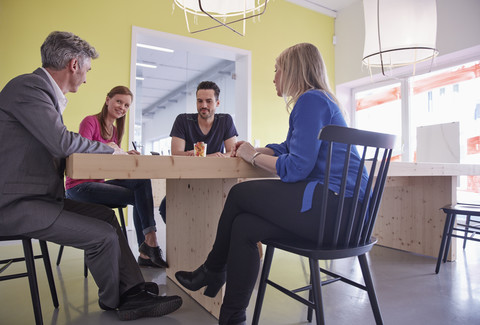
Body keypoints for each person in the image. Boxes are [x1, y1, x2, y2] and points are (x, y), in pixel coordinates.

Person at [174, 43, 369, 325]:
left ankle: (213, 269)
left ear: (293, 70)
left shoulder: (310, 100)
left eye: (277, 69)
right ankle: (231, 317)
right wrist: (259, 149)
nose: (274, 76)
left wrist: (251, 156)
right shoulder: (321, 100)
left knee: (239, 193)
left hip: (336, 211)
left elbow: (296, 168)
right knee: (244, 227)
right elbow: (290, 147)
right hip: (348, 216)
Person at [0, 31, 182, 321]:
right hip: (16, 205)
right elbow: (61, 141)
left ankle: (133, 288)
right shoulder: (29, 88)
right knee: (103, 237)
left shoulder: (40, 93)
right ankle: (116, 301)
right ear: (74, 64)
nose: (86, 78)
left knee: (107, 217)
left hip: (42, 198)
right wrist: (110, 152)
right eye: (87, 70)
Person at [65, 85, 168, 268]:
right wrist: (113, 151)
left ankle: (148, 246)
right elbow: (80, 152)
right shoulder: (90, 122)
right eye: (119, 101)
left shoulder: (114, 131)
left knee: (142, 181)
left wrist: (124, 155)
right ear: (108, 100)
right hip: (79, 187)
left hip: (98, 184)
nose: (122, 107)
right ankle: (148, 247)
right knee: (140, 197)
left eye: (126, 105)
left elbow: (110, 165)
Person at [159, 80, 238, 222]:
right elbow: (176, 153)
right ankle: (180, 239)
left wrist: (199, 155)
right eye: (199, 101)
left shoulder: (226, 120)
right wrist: (209, 157)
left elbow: (232, 152)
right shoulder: (183, 120)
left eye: (209, 101)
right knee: (165, 206)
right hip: (186, 179)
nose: (204, 106)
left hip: (215, 180)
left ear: (217, 103)